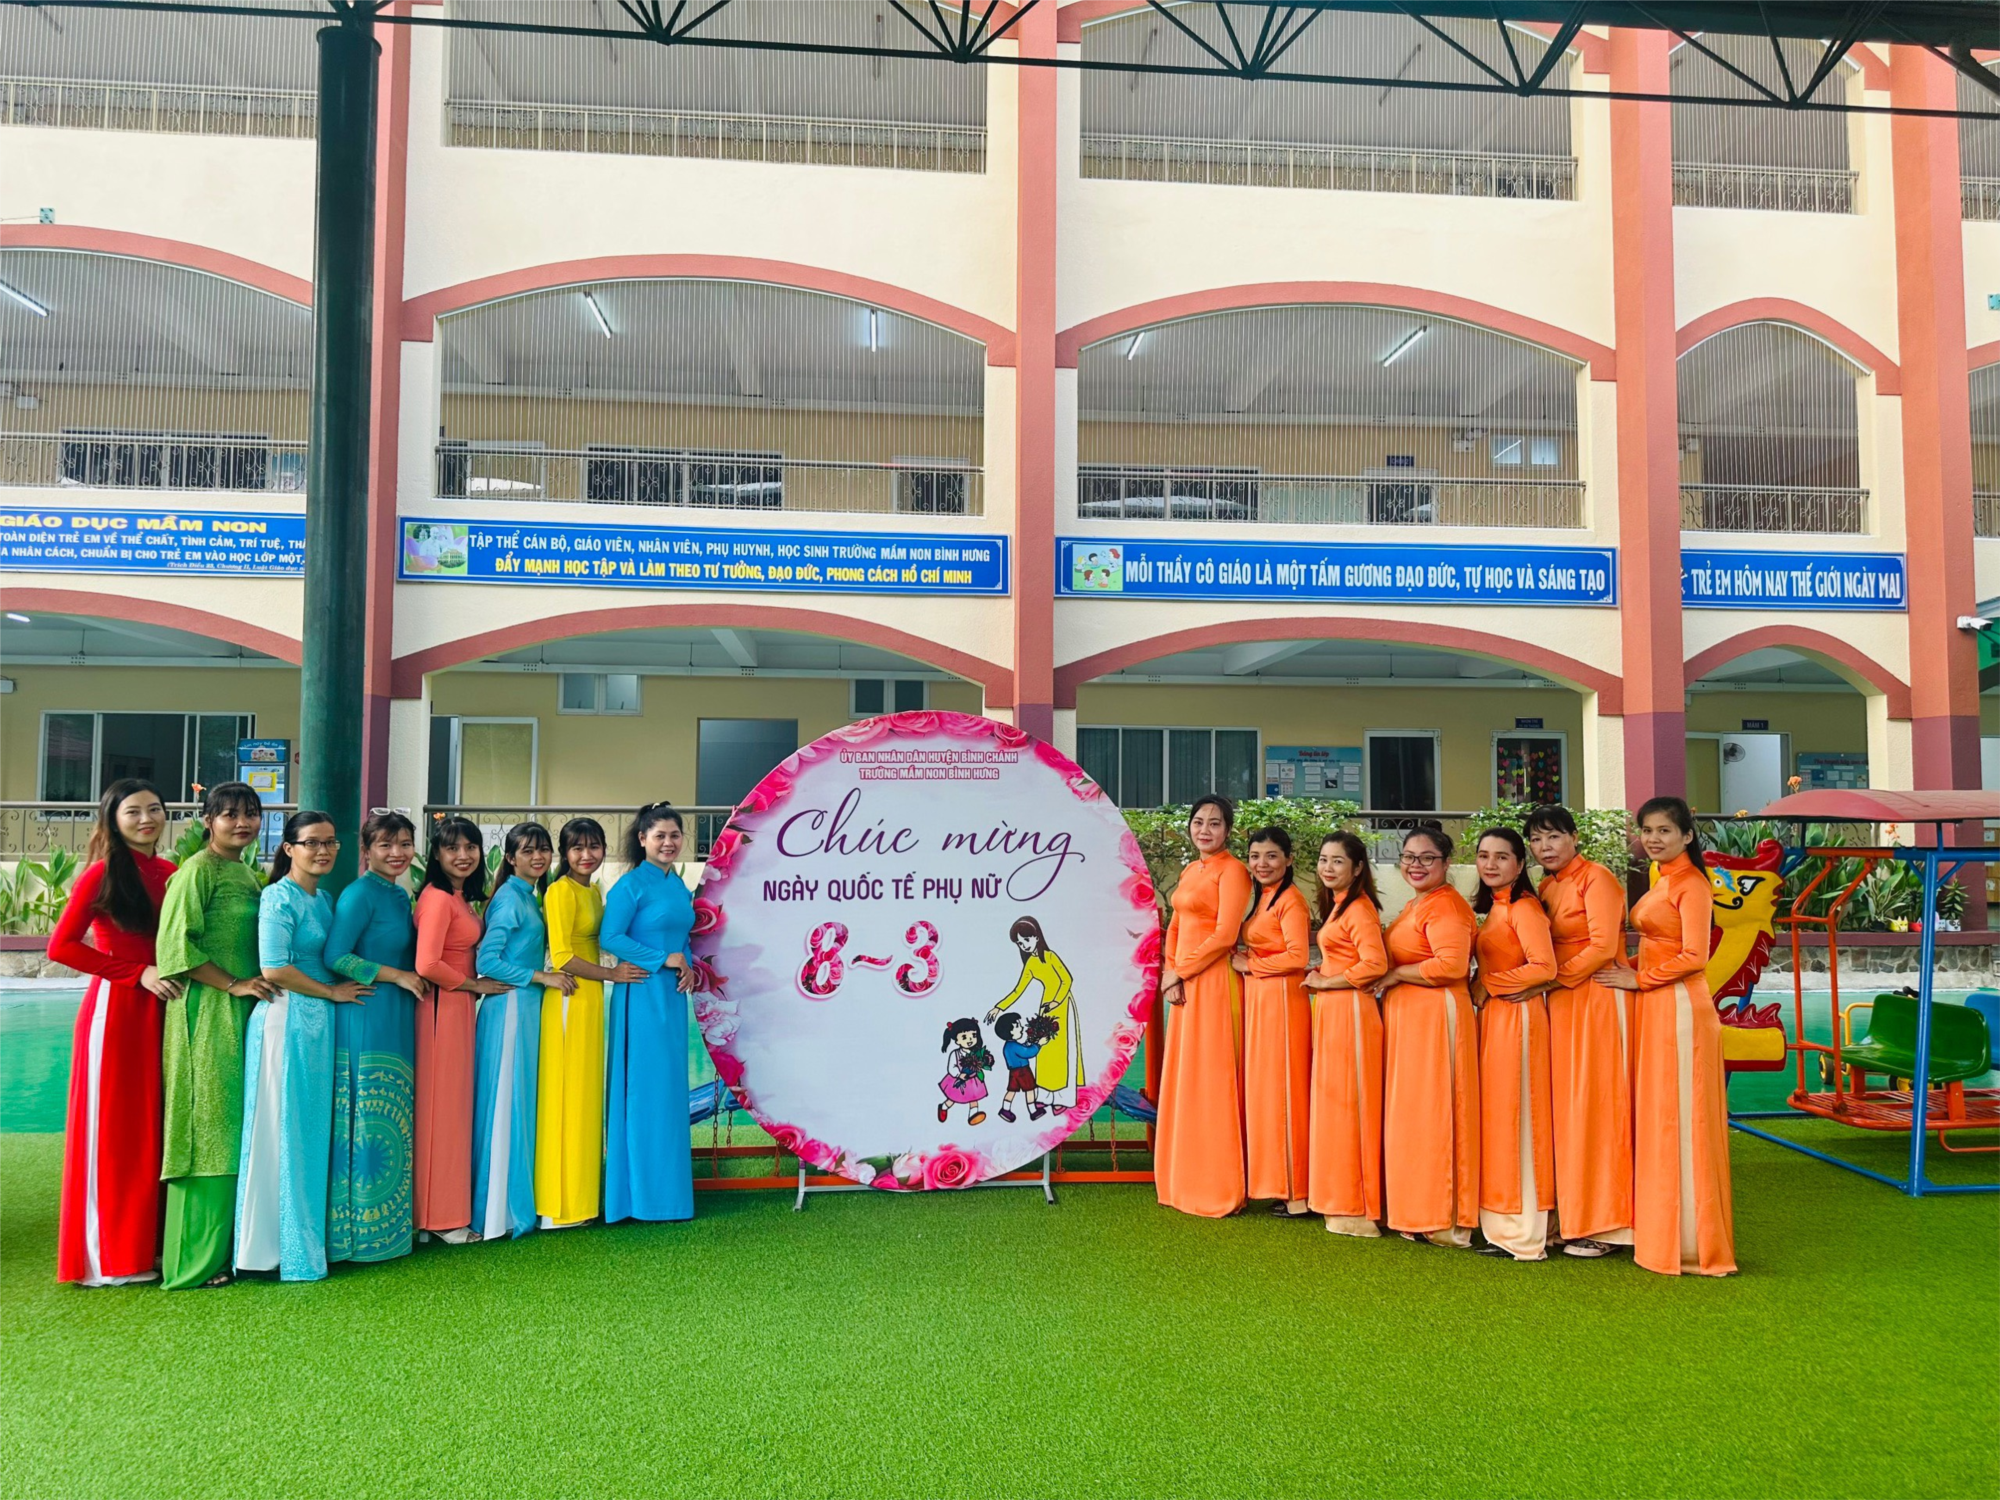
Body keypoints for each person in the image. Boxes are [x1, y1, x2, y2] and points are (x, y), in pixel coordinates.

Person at [50, 779, 179, 1286]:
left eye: (155, 809)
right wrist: (135, 973)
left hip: (166, 1010)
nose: (146, 819)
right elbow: (62, 946)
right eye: (133, 811)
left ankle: (152, 1246)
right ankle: (111, 1258)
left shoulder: (171, 873)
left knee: (155, 1128)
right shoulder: (102, 874)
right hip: (118, 1012)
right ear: (113, 819)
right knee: (117, 1130)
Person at [1601, 797, 1736, 1277]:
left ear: (1687, 835)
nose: (1653, 839)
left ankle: (1690, 1242)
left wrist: (1638, 978)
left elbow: (1694, 956)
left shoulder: (1694, 884)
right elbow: (1663, 946)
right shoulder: (1664, 879)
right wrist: (1629, 968)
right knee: (1661, 1115)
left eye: (1664, 830)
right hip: (1659, 1002)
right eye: (1647, 830)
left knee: (1680, 1118)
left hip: (1680, 1006)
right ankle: (1660, 1230)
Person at [238, 811, 369, 1282]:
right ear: (289, 848)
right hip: (286, 1018)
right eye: (312, 842)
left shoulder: (325, 898)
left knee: (310, 1131)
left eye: (330, 842)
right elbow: (273, 968)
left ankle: (309, 1240)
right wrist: (331, 991)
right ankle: (275, 1249)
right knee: (284, 1129)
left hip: (318, 1023)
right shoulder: (278, 897)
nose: (323, 851)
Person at [155, 781, 274, 1289]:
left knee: (235, 1123)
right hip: (206, 1012)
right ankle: (192, 1263)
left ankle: (229, 1248)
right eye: (230, 814)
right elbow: (174, 949)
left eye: (251, 814)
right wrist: (233, 983)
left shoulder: (244, 872)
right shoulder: (196, 872)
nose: (242, 823)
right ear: (208, 820)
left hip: (240, 1011)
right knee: (209, 1125)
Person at [1527, 804, 1633, 1259]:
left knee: (1599, 1108)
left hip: (1598, 999)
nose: (1544, 847)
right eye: (1536, 839)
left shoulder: (1598, 878)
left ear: (1574, 837)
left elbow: (1604, 946)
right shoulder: (1547, 886)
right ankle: (1571, 1215)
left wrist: (1551, 979)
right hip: (1563, 1002)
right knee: (1568, 1111)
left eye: (1553, 836)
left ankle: (1608, 1225)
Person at [323, 811, 426, 1265]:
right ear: (366, 851)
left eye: (404, 844)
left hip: (396, 1014)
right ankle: (358, 1236)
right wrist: (396, 975)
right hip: (366, 1012)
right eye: (385, 845)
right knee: (367, 1118)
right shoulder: (360, 893)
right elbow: (336, 955)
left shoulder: (399, 894)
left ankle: (390, 1230)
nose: (397, 853)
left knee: (392, 1114)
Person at [1376, 822, 1479, 1248]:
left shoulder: (1446, 907)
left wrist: (1397, 973)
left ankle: (1440, 1215)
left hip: (1437, 1016)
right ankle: (1414, 1206)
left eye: (1426, 858)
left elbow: (1451, 966)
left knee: (1434, 1111)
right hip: (1412, 1018)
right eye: (1409, 857)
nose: (1415, 865)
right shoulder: (1418, 903)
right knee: (1413, 1113)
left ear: (1446, 862)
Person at [1154, 795, 1255, 1219]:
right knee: (1186, 1075)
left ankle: (1218, 1185)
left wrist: (1181, 972)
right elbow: (1176, 925)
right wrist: (1170, 971)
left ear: (1228, 830)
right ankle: (1181, 1177)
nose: (1205, 830)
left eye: (1215, 823)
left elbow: (1225, 934)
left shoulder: (1233, 871)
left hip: (1215, 983)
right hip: (1185, 982)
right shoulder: (1191, 870)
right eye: (1198, 821)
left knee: (1213, 1077)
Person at [473, 823, 573, 1242]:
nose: (538, 857)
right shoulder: (509, 900)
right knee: (507, 1102)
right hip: (510, 1009)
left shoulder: (530, 897)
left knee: (522, 1101)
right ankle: (500, 1212)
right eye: (528, 851)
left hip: (527, 1009)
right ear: (511, 858)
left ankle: (514, 1203)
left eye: (544, 849)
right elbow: (487, 961)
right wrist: (541, 976)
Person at [600, 803, 697, 1224]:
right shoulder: (630, 886)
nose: (668, 843)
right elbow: (610, 936)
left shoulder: (678, 886)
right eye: (659, 836)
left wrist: (687, 964)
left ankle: (670, 1194)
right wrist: (662, 959)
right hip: (640, 994)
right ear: (642, 840)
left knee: (669, 1091)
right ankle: (639, 1198)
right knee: (645, 1090)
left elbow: (683, 936)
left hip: (671, 998)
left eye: (674, 835)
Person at [537, 818, 635, 1230]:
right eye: (577, 848)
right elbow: (562, 956)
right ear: (564, 852)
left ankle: (582, 1198)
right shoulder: (560, 891)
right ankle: (558, 1208)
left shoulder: (592, 891)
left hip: (590, 999)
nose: (586, 855)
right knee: (567, 1097)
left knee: (585, 1097)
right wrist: (612, 974)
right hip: (569, 998)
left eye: (594, 846)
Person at [414, 817, 508, 1244]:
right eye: (453, 848)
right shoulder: (437, 899)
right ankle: (441, 1219)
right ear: (437, 854)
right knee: (443, 1113)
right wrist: (474, 985)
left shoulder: (459, 897)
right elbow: (427, 964)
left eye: (471, 847)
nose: (464, 855)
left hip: (455, 1008)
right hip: (442, 1009)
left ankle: (435, 1213)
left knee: (452, 1110)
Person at [1470, 827, 1558, 1262]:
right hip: (1496, 1018)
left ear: (1520, 864)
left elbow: (1544, 966)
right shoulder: (1496, 908)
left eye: (1501, 857)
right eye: (1484, 855)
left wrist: (1489, 984)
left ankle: (1524, 1234)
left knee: (1519, 1115)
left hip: (1519, 1018)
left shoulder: (1524, 908)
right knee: (1500, 1116)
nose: (1491, 864)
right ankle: (1504, 1222)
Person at [1304, 832, 1389, 1238]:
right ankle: (1340, 1199)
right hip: (1335, 1010)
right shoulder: (1340, 905)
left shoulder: (1359, 909)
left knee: (1350, 1103)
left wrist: (1327, 981)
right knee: (1336, 1102)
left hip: (1352, 1011)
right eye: (1323, 859)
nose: (1327, 867)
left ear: (1357, 869)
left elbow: (1375, 964)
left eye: (1337, 861)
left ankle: (1358, 1208)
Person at [1232, 826, 1314, 1218]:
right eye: (1255, 856)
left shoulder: (1291, 901)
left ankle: (1297, 1190)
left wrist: (1251, 964)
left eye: (1271, 856)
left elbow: (1299, 957)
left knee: (1284, 1089)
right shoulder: (1263, 897)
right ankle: (1275, 1181)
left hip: (1282, 998)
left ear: (1288, 859)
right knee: (1266, 1089)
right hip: (1262, 997)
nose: (1261, 863)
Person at [983, 917, 1080, 1112]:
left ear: (1037, 937)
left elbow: (1067, 980)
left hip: (1061, 1004)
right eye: (1020, 943)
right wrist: (999, 1008)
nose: (1024, 945)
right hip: (1046, 1007)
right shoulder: (1031, 963)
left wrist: (1056, 1001)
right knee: (1043, 1050)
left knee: (1060, 1051)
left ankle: (1062, 1097)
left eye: (1026, 940)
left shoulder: (1050, 957)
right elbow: (1018, 990)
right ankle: (1045, 1095)